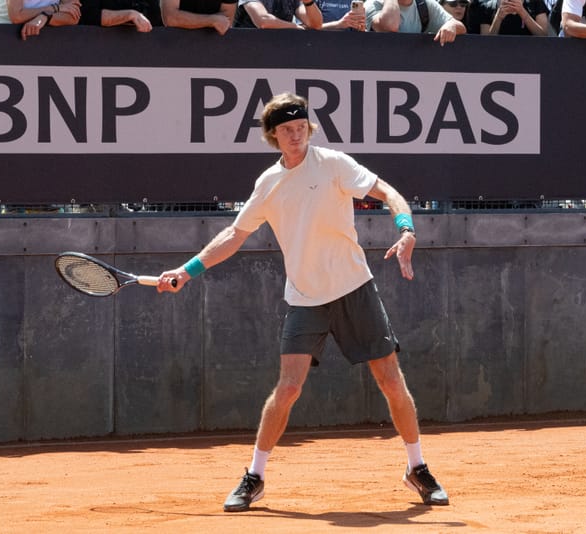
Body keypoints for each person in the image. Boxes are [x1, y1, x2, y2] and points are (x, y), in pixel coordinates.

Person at [156, 92, 449, 513]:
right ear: (273, 136)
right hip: (306, 299)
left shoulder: (332, 163)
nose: (296, 136)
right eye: (287, 131)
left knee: (390, 380)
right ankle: (254, 477)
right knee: (288, 387)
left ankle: (417, 468)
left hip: (354, 287)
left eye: (301, 128)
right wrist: (187, 271)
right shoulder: (268, 184)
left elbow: (388, 192)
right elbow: (234, 236)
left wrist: (406, 229)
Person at [366, 0, 467, 43]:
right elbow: (390, 26)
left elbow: (461, 27)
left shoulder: (425, 4)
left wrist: (451, 25)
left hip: (414, 69)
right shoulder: (372, 5)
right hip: (379, 68)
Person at [0, 0, 81, 40]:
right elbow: (17, 16)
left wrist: (46, 16)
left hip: (37, 39)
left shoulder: (46, 16)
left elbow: (73, 16)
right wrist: (53, 8)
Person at [160, 0, 236, 34]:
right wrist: (211, 21)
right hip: (174, 43)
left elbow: (226, 21)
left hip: (213, 44)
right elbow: (170, 18)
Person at [232, 0, 322, 28]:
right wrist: (294, 26)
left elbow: (315, 25)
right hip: (247, 52)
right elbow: (263, 21)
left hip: (281, 52)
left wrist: (309, 2)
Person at [80, 0, 162, 30]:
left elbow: (158, 20)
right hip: (98, 50)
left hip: (146, 52)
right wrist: (129, 15)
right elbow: (89, 16)